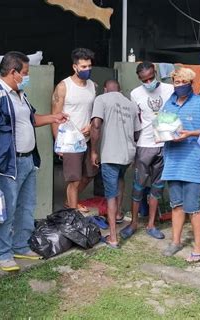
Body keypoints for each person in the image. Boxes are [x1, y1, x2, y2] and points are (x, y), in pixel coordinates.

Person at [0, 51, 67, 272]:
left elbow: (31, 119)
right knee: (5, 210)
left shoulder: (19, 95)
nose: (26, 77)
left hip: (27, 161)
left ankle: (20, 246)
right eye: (25, 73)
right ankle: (3, 254)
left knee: (26, 207)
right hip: (7, 166)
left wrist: (53, 117)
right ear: (13, 72)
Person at [161, 67, 200, 262]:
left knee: (194, 207)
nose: (180, 86)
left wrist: (189, 133)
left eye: (184, 82)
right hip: (173, 161)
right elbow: (163, 125)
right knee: (176, 205)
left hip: (194, 162)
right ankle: (175, 241)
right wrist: (163, 134)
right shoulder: (169, 103)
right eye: (177, 82)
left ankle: (199, 247)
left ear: (191, 84)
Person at [120, 61, 174, 241]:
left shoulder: (169, 89)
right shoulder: (135, 94)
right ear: (139, 79)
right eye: (145, 80)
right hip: (145, 144)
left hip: (165, 143)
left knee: (157, 187)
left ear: (156, 72)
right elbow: (135, 119)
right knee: (138, 186)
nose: (149, 82)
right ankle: (134, 223)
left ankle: (151, 225)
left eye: (151, 78)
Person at [90, 80, 141, 248]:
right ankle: (118, 213)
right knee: (120, 179)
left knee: (110, 194)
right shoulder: (131, 105)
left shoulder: (101, 99)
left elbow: (96, 125)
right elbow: (137, 132)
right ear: (120, 90)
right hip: (127, 154)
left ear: (105, 89)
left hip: (110, 154)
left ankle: (113, 236)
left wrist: (94, 150)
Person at [51, 48, 98, 214]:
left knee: (91, 173)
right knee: (74, 179)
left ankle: (70, 201)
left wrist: (91, 126)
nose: (87, 70)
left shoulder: (92, 86)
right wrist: (60, 144)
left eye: (89, 66)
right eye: (83, 66)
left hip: (87, 139)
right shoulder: (64, 86)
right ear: (75, 67)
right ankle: (72, 214)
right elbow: (55, 116)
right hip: (70, 141)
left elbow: (94, 112)